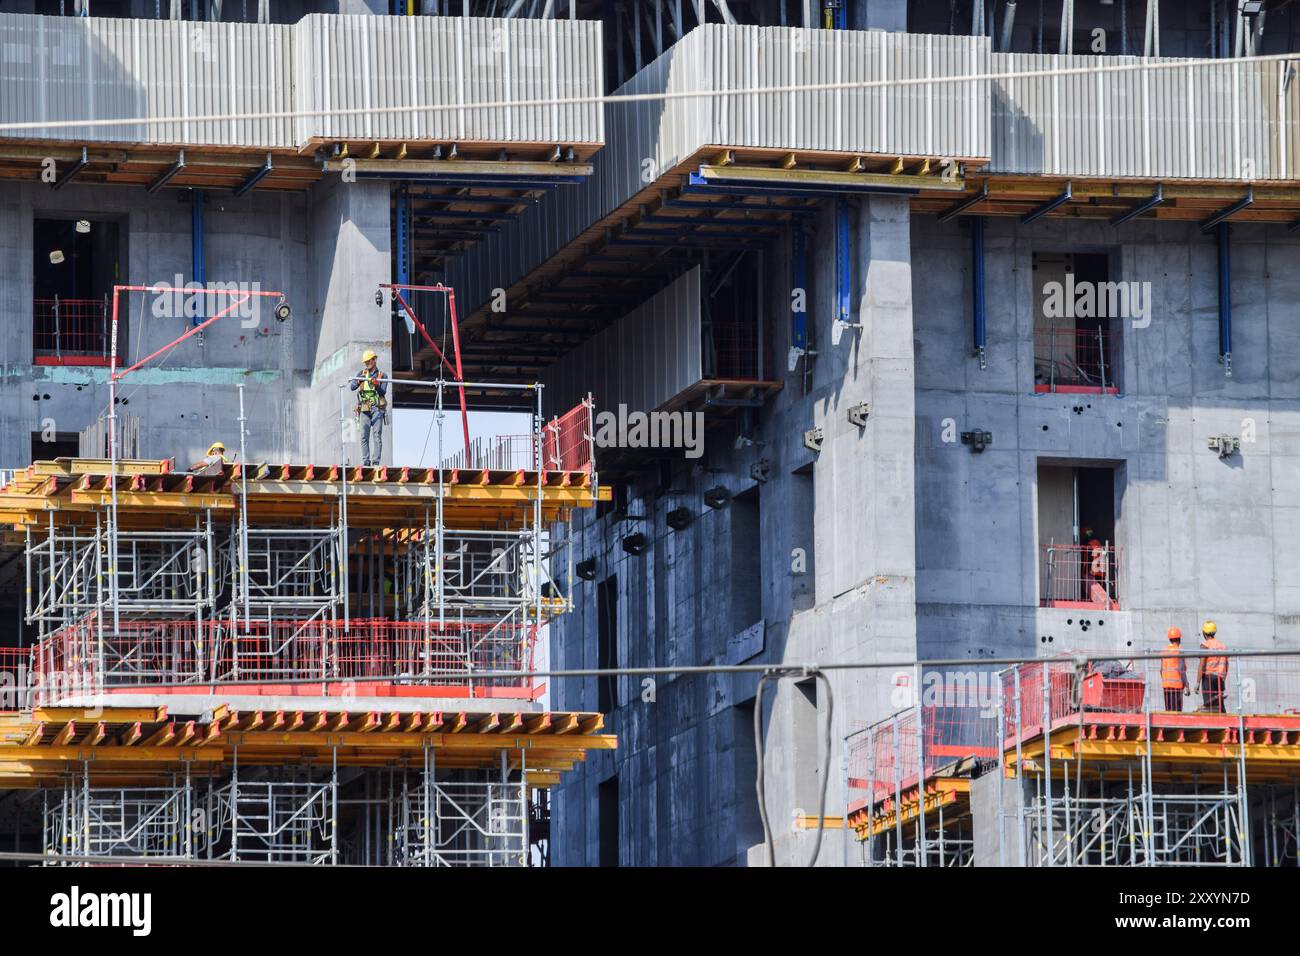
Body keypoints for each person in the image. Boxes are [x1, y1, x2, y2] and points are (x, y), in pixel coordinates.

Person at [349, 349, 387, 466]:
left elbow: (383, 391)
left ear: (374, 360)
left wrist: (376, 385)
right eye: (366, 362)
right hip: (364, 408)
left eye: (369, 361)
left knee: (377, 436)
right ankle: (366, 461)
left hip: (377, 409)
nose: (367, 364)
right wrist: (358, 380)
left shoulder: (382, 375)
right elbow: (352, 387)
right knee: (364, 436)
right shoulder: (362, 374)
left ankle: (376, 462)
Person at [1196, 621, 1229, 713]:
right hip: (1220, 678)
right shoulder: (1222, 646)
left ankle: (1213, 723)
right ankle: (1224, 720)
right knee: (1219, 702)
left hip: (1208, 678)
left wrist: (1197, 683)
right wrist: (1223, 679)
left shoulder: (1205, 645)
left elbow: (1201, 665)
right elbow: (1226, 665)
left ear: (1204, 633)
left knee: (1209, 704)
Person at [1160, 626, 1189, 712]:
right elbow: (1182, 670)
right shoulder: (1179, 651)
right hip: (1176, 687)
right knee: (1176, 712)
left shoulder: (1164, 651)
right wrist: (1186, 685)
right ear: (1179, 639)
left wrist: (1166, 680)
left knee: (1168, 711)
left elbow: (1161, 670)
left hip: (1166, 686)